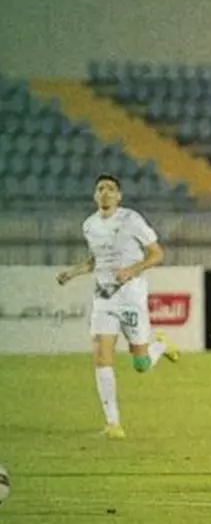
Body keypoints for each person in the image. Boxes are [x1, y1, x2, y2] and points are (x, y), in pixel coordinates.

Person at [56, 173, 180, 439]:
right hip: (104, 297)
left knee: (141, 364)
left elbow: (157, 253)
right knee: (102, 356)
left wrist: (133, 270)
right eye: (100, 188)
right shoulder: (89, 225)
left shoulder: (131, 220)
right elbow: (95, 261)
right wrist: (72, 273)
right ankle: (113, 424)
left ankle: (160, 345)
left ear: (119, 196)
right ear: (95, 195)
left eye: (111, 189)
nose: (105, 192)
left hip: (131, 296)